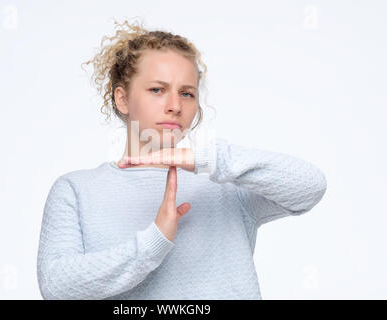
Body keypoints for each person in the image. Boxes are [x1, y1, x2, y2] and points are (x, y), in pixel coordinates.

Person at [36, 18, 327, 300]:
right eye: (157, 90)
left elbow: (309, 187)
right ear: (122, 99)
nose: (175, 106)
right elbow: (57, 286)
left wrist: (208, 159)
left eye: (187, 93)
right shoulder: (76, 190)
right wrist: (154, 242)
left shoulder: (225, 184)